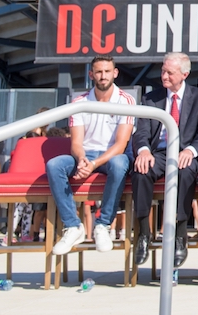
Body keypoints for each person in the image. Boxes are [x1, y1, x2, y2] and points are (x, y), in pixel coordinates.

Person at [46, 55, 134, 256]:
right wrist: (82, 159)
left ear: (115, 73)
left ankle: (103, 225)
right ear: (91, 74)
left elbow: (121, 145)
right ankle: (73, 226)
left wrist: (92, 164)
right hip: (87, 155)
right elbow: (76, 143)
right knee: (54, 165)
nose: (103, 76)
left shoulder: (126, 100)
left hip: (112, 155)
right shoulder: (79, 102)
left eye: (107, 71)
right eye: (99, 72)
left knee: (120, 164)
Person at [132, 52, 198, 268]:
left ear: (184, 74)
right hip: (158, 153)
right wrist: (143, 151)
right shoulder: (151, 98)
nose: (164, 76)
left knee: (186, 172)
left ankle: (180, 233)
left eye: (170, 72)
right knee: (141, 171)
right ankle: (144, 234)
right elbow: (140, 132)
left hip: (185, 153)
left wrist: (191, 151)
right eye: (163, 70)